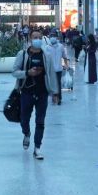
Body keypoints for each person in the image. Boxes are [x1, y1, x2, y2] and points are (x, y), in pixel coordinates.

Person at [11, 30, 59, 160]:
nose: (37, 39)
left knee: (40, 121)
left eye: (39, 37)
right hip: (26, 92)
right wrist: (27, 73)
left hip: (42, 93)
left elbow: (51, 73)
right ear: (30, 39)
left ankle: (37, 148)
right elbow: (14, 72)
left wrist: (55, 92)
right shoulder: (23, 54)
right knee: (24, 119)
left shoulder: (46, 56)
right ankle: (26, 133)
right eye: (34, 37)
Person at [47, 33, 69, 105]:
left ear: (56, 37)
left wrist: (66, 65)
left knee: (58, 84)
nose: (52, 38)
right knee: (53, 84)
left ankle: (59, 98)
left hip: (59, 69)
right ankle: (54, 97)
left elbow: (64, 56)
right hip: (51, 69)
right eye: (51, 36)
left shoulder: (61, 46)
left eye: (54, 36)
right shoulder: (47, 47)